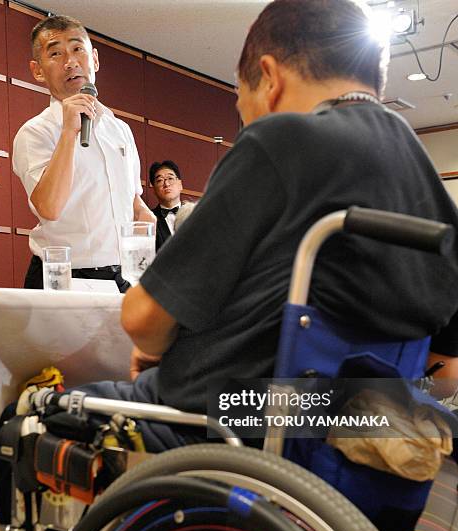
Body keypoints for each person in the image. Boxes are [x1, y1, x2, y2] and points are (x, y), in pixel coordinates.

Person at [78, 0, 458, 448]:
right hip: (363, 440)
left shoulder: (282, 139)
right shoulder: (425, 180)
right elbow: (446, 373)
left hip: (225, 427)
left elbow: (143, 319)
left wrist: (157, 342)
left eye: (244, 103)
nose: (248, 119)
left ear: (270, 77)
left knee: (28, 415)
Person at [12, 15, 155, 292]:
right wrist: (68, 132)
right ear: (38, 70)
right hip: (63, 279)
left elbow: (133, 201)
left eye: (78, 49)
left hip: (122, 279)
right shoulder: (35, 132)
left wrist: (148, 220)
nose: (70, 62)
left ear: (95, 60)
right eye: (55, 53)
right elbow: (50, 207)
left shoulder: (120, 129)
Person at [149, 160, 185, 250]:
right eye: (160, 180)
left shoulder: (196, 214)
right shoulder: (149, 219)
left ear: (180, 184)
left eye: (170, 178)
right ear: (154, 190)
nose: (166, 184)